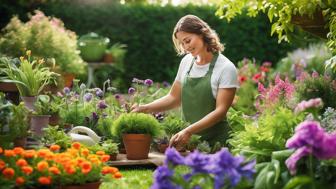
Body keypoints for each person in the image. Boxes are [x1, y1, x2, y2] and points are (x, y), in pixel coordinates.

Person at [132, 14, 239, 149]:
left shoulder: (226, 68)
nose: (185, 47)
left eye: (187, 41)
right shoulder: (187, 62)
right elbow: (174, 98)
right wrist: (145, 108)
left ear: (202, 33)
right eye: (182, 43)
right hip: (190, 143)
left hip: (217, 144)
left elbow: (221, 111)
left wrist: (188, 131)